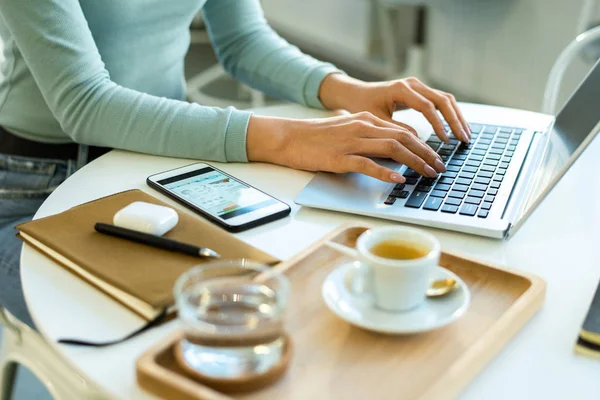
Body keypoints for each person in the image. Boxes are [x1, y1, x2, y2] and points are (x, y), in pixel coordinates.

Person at [0, 0, 471, 327]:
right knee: (167, 325)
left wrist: (349, 90)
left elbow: (242, 40)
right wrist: (287, 139)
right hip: (37, 189)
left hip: (161, 162)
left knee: (274, 291)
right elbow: (85, 104)